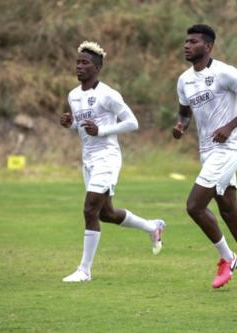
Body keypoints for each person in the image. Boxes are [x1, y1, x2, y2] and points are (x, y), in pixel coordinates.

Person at [173, 24, 237, 289]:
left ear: (208, 47)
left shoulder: (224, 73)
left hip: (227, 150)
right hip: (207, 152)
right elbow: (184, 111)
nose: (186, 45)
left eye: (193, 41)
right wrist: (181, 125)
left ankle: (227, 258)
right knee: (229, 212)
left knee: (194, 206)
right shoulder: (184, 80)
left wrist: (230, 126)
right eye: (186, 41)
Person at [60, 41, 166, 282]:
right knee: (106, 213)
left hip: (107, 158)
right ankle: (153, 227)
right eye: (77, 62)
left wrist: (103, 130)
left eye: (85, 63)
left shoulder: (108, 94)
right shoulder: (74, 95)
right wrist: (70, 124)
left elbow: (132, 122)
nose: (79, 66)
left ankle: (84, 271)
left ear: (97, 68)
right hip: (88, 160)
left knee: (89, 210)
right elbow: (81, 126)